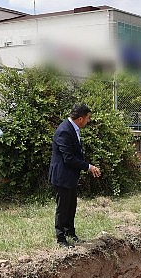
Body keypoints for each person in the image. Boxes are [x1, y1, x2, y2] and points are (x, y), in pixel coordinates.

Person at [49, 103, 101, 248]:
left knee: (71, 205)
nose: (88, 121)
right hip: (62, 175)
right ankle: (60, 238)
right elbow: (69, 158)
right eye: (87, 118)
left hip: (70, 175)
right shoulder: (64, 130)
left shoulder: (73, 128)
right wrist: (89, 167)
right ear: (80, 118)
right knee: (63, 207)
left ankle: (70, 232)